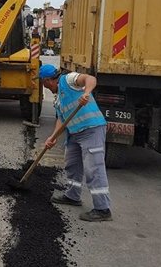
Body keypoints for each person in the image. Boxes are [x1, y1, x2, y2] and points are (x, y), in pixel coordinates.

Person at [39, 64, 112, 222]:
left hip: (91, 129)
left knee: (94, 168)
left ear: (47, 81)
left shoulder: (68, 80)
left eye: (42, 83)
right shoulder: (58, 97)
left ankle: (103, 209)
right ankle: (72, 196)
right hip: (74, 133)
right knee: (72, 164)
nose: (43, 86)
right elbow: (61, 118)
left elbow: (90, 79)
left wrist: (86, 92)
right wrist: (52, 137)